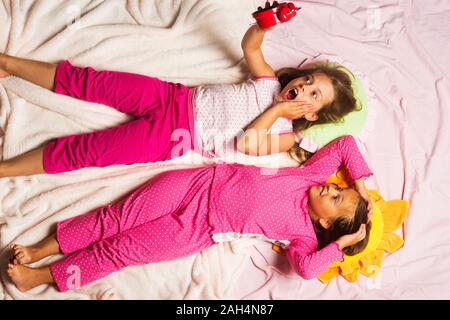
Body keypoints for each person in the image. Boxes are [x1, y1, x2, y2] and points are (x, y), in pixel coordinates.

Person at [7, 135, 372, 292]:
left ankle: (39, 277)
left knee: (120, 251)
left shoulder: (304, 237)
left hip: (197, 229)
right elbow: (345, 145)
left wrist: (343, 243)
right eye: (339, 189)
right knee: (115, 218)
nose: (333, 188)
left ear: (325, 222)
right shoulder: (309, 175)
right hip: (198, 183)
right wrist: (361, 189)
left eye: (337, 199)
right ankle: (44, 247)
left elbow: (307, 270)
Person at [0, 25, 359, 177]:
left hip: (174, 138)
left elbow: (247, 143)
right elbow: (250, 47)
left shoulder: (285, 134)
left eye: (314, 94)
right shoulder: (267, 81)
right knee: (89, 81)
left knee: (89, 152)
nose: (303, 87)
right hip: (172, 96)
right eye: (308, 80)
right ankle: (8, 63)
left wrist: (280, 110)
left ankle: (5, 170)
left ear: (311, 113)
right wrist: (262, 25)